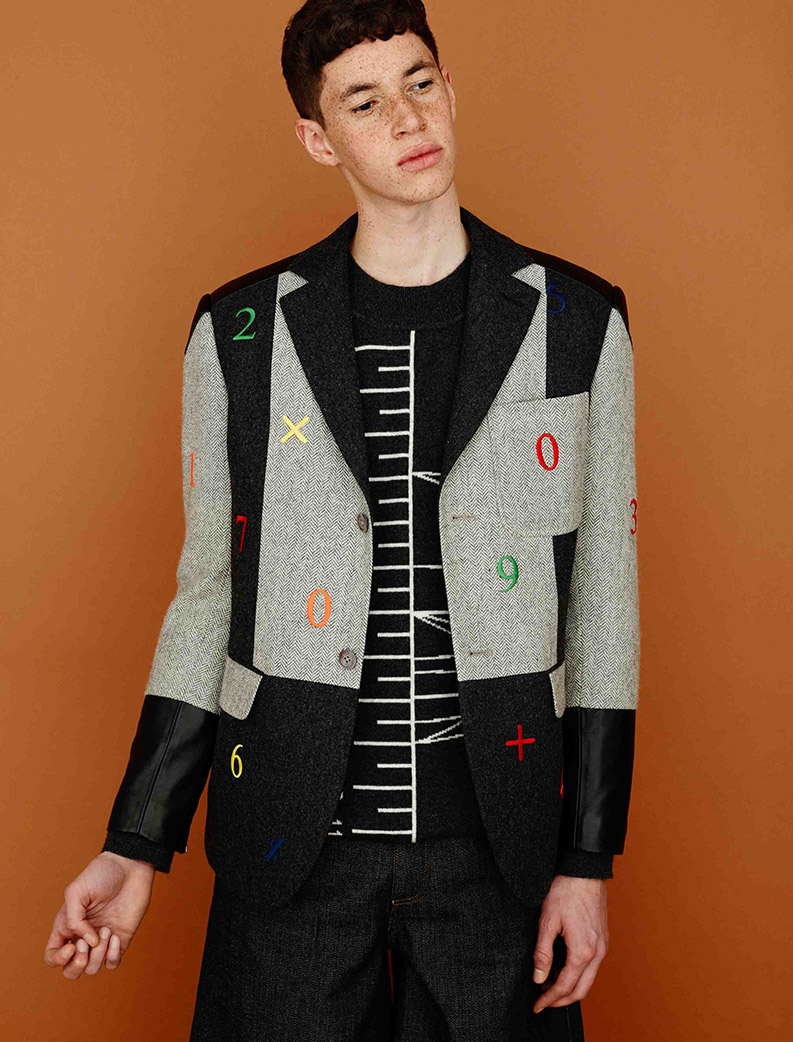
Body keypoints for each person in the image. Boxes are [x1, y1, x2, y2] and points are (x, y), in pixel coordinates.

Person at [44, 2, 640, 1038]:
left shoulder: (577, 320)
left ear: (450, 89)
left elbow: (605, 605)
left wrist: (587, 859)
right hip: (289, 847)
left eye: (420, 81)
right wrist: (136, 841)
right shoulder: (237, 331)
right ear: (318, 139)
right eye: (364, 102)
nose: (407, 117)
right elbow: (208, 597)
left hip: (498, 851)